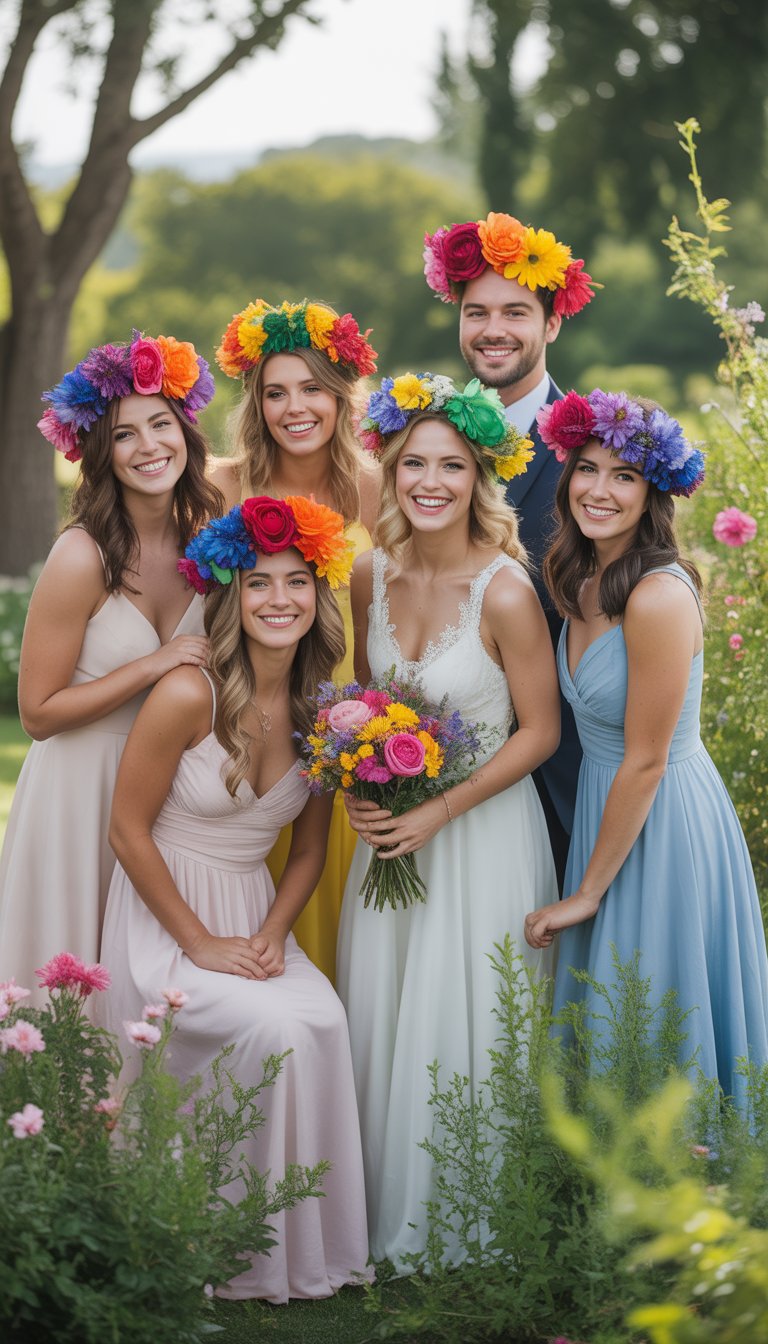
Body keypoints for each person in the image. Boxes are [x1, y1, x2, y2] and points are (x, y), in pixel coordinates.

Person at [100, 495, 372, 1302]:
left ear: (320, 598)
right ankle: (211, 1239)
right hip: (165, 910)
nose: (279, 600)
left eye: (296, 583)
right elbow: (126, 831)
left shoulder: (325, 716)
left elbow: (312, 849)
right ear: (232, 596)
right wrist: (199, 943)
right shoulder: (190, 693)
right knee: (263, 1023)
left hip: (256, 913)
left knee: (318, 1017)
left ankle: (297, 1246)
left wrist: (270, 937)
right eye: (259, 584)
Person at [336, 372, 560, 1267]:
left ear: (480, 479)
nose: (430, 482)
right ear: (389, 472)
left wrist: (442, 809)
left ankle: (468, 1218)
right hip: (389, 839)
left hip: (480, 838)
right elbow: (361, 703)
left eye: (452, 467)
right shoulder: (366, 573)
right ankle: (375, 1209)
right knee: (387, 1011)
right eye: (413, 464)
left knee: (464, 1019)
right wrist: (355, 775)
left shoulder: (505, 590)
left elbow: (541, 731)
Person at [523, 390, 768, 1108]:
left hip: (661, 820)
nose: (599, 489)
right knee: (611, 1016)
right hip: (612, 806)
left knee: (654, 1007)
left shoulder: (658, 597)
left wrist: (588, 892)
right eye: (586, 469)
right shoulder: (578, 576)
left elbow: (647, 759)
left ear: (652, 491)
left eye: (624, 475)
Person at [0, 332, 219, 1001]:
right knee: (69, 986)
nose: (150, 446)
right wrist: (154, 665)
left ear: (186, 432)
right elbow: (37, 713)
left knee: (143, 985)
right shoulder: (81, 555)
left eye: (162, 425)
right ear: (101, 453)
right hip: (77, 790)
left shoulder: (207, 540)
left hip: (164, 795)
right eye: (126, 436)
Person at [423, 213, 600, 887]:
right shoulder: (425, 447)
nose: (492, 329)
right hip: (429, 769)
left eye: (515, 311)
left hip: (564, 781)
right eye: (476, 313)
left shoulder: (594, 455)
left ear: (552, 323)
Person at [210, 298, 380, 981]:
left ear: (341, 397)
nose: (295, 407)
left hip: (349, 749)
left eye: (312, 388)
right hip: (244, 745)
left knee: (344, 948)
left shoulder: (378, 492)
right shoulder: (222, 487)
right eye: (275, 392)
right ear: (256, 403)